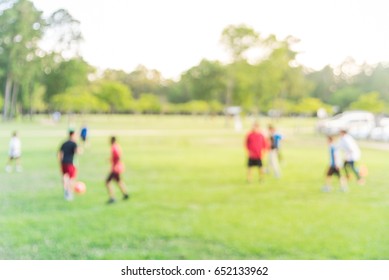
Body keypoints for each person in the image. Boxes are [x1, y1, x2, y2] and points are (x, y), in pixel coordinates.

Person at [106, 136, 129, 204]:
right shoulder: (117, 146)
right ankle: (125, 194)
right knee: (118, 180)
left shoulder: (114, 147)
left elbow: (118, 156)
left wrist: (115, 165)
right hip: (118, 167)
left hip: (116, 168)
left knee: (108, 181)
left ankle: (112, 198)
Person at [58, 130, 78, 201]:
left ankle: (66, 191)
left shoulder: (64, 143)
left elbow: (60, 154)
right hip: (70, 163)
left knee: (65, 177)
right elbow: (78, 152)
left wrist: (60, 163)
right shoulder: (74, 143)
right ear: (72, 135)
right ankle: (69, 193)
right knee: (71, 178)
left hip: (63, 163)